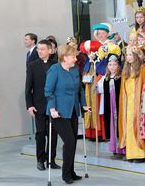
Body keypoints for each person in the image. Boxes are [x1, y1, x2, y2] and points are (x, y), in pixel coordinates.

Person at [45, 44, 90, 184]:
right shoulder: (55, 70)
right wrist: (52, 109)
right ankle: (66, 174)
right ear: (64, 57)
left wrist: (83, 104)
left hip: (73, 110)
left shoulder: (75, 69)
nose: (75, 59)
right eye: (73, 57)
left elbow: (80, 90)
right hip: (58, 112)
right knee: (69, 141)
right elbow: (48, 91)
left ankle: (71, 171)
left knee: (72, 142)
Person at [25, 39, 60, 171]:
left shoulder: (56, 65)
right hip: (38, 105)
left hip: (54, 105)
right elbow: (28, 87)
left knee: (53, 133)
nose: (40, 51)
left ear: (50, 51)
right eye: (38, 49)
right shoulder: (32, 65)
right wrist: (29, 105)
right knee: (40, 133)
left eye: (43, 49)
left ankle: (51, 160)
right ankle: (40, 160)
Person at [118, 46, 145, 162]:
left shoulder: (142, 69)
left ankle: (140, 154)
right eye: (127, 55)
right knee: (129, 126)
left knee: (138, 125)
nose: (128, 57)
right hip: (128, 102)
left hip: (138, 102)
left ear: (136, 56)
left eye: (131, 55)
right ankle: (131, 153)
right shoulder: (126, 70)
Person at [103, 54, 124, 159]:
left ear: (118, 66)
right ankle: (115, 149)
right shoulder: (106, 79)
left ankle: (121, 149)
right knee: (112, 125)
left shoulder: (120, 78)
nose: (112, 67)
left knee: (118, 124)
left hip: (118, 105)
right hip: (110, 107)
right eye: (110, 65)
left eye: (114, 65)